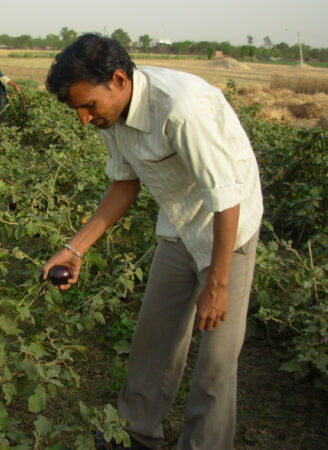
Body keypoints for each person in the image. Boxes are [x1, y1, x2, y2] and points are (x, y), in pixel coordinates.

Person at [43, 34, 263, 450]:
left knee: (216, 358)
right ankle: (134, 433)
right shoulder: (112, 116)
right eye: (77, 111)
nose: (84, 120)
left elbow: (225, 197)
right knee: (154, 335)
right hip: (181, 218)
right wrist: (74, 250)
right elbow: (124, 186)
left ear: (119, 80)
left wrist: (217, 282)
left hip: (229, 221)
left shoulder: (180, 109)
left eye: (88, 106)